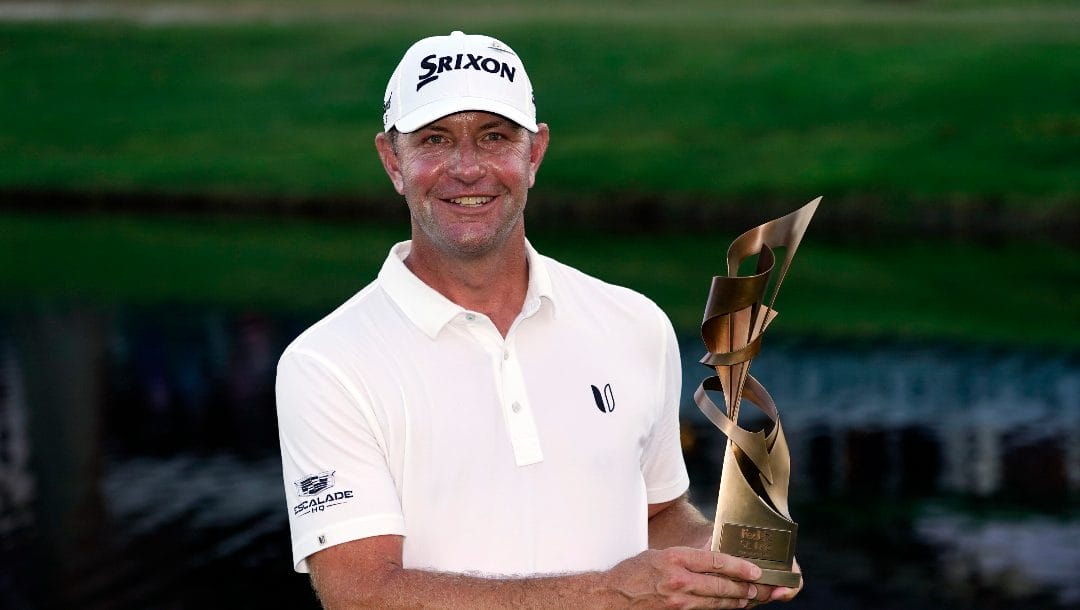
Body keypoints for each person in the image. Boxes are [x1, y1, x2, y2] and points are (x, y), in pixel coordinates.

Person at [276, 30, 801, 609]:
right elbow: (361, 594)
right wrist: (610, 594)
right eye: (434, 139)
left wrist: (726, 556)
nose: (468, 169)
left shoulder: (634, 323)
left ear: (535, 154)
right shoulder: (326, 363)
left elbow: (655, 516)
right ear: (392, 161)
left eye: (494, 137)